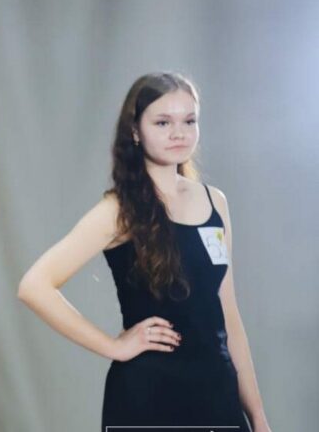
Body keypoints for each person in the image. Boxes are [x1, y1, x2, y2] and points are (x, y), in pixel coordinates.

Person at [18, 73, 271, 431]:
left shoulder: (215, 202)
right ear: (135, 130)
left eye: (189, 121)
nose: (179, 133)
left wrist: (257, 416)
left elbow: (228, 314)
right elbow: (34, 286)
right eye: (163, 122)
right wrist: (113, 346)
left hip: (217, 394)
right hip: (148, 397)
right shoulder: (118, 211)